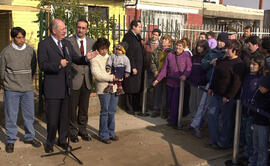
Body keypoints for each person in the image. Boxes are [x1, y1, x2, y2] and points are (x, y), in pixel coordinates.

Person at [38, 19, 98, 153]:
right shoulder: (44, 44)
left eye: (65, 28)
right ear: (54, 30)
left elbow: (75, 58)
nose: (65, 31)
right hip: (53, 88)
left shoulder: (66, 43)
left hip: (66, 87)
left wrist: (86, 58)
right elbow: (42, 65)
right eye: (62, 29)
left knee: (64, 118)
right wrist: (59, 64)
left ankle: (63, 140)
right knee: (53, 119)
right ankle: (50, 142)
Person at [0, 27, 41, 153]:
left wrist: (27, 81)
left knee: (29, 115)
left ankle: (30, 137)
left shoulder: (30, 51)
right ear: (13, 38)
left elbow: (33, 67)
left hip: (27, 88)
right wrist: (7, 84)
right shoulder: (6, 52)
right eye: (19, 38)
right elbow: (1, 71)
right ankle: (11, 140)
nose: (22, 40)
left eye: (23, 37)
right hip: (11, 89)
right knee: (11, 116)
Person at [207, 40, 246, 149]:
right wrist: (211, 87)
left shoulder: (239, 64)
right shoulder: (222, 60)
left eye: (229, 48)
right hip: (216, 93)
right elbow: (215, 75)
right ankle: (214, 139)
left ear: (235, 50)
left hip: (227, 97)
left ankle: (223, 142)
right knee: (211, 115)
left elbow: (237, 83)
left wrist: (229, 96)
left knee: (226, 120)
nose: (226, 50)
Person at [189, 32, 228, 138]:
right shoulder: (211, 52)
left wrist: (219, 63)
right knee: (203, 104)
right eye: (219, 40)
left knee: (218, 110)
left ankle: (217, 133)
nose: (220, 43)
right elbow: (203, 64)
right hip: (210, 83)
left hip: (221, 86)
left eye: (222, 41)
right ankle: (195, 125)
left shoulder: (227, 54)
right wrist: (210, 63)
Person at [67, 19, 96, 143]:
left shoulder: (92, 42)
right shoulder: (68, 41)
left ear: (87, 29)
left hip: (87, 80)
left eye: (83, 28)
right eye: (79, 27)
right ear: (76, 27)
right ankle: (72, 132)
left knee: (84, 108)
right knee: (72, 108)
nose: (81, 30)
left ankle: (83, 130)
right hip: (74, 79)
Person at [153, 39, 192, 127]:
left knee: (175, 102)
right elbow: (164, 69)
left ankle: (173, 121)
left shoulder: (187, 55)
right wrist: (157, 79)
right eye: (177, 45)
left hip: (180, 84)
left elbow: (189, 67)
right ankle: (172, 117)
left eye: (180, 46)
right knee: (169, 101)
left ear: (184, 47)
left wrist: (185, 75)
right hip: (170, 82)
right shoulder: (170, 55)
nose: (178, 47)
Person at [90, 38, 119, 144]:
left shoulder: (111, 57)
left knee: (112, 111)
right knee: (105, 111)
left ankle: (111, 132)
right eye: (102, 49)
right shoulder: (94, 59)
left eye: (106, 49)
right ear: (98, 48)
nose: (104, 51)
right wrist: (112, 77)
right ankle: (103, 134)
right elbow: (97, 75)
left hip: (114, 87)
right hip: (103, 89)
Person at [248, 37, 270, 166]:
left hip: (264, 111)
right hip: (257, 110)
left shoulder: (266, 71)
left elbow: (263, 89)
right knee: (255, 142)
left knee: (262, 144)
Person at [239, 56, 265, 164]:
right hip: (244, 109)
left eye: (254, 64)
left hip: (253, 112)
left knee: (251, 137)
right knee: (245, 134)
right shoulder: (247, 77)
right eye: (250, 64)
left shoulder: (261, 79)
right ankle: (246, 154)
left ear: (260, 66)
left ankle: (250, 157)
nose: (251, 66)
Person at [122, 20, 144, 115]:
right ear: (133, 27)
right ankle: (129, 107)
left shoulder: (138, 37)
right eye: (139, 27)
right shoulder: (128, 37)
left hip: (139, 66)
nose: (141, 29)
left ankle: (136, 106)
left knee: (136, 88)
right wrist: (133, 67)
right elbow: (129, 53)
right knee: (130, 88)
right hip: (131, 67)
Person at [150, 34, 173, 118]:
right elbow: (152, 62)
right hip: (157, 74)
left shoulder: (171, 52)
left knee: (165, 94)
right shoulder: (156, 51)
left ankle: (164, 111)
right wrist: (155, 71)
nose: (163, 41)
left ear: (169, 43)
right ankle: (156, 110)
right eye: (163, 39)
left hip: (167, 76)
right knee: (157, 93)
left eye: (166, 40)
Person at [187, 40, 209, 125]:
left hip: (202, 84)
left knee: (199, 103)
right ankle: (193, 119)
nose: (199, 48)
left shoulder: (206, 58)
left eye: (201, 46)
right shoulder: (194, 57)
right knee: (192, 102)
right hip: (193, 83)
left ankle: (199, 121)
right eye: (198, 46)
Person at [143, 28, 161, 111]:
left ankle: (156, 107)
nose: (154, 36)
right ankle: (148, 106)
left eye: (156, 35)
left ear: (159, 36)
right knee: (148, 89)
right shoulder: (146, 44)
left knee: (157, 91)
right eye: (153, 34)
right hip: (148, 71)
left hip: (158, 72)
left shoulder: (160, 46)